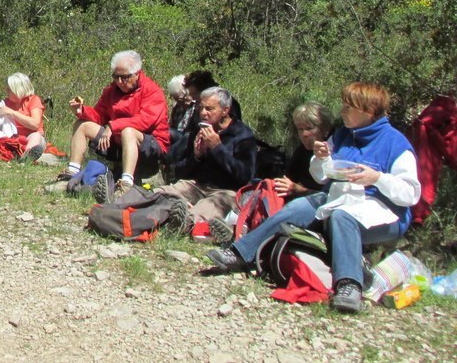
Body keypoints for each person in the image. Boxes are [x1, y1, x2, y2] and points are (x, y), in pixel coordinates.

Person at [206, 82, 420, 314]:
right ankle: (240, 253)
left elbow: (410, 193)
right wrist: (321, 159)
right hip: (341, 198)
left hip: (383, 214)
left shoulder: (396, 144)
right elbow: (321, 177)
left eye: (349, 107)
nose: (343, 111)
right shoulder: (343, 135)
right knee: (299, 207)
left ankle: (349, 285)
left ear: (367, 111)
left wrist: (377, 178)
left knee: (341, 216)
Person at [205, 101, 333, 244]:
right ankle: (236, 226)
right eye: (300, 129)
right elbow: (289, 180)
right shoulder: (301, 151)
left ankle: (241, 232)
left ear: (325, 130)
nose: (304, 134)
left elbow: (329, 196)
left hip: (313, 209)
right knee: (259, 188)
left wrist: (298, 190)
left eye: (309, 128)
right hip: (293, 198)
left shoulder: (333, 154)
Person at [50, 50, 169, 200]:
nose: (119, 82)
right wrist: (82, 111)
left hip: (149, 143)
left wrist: (113, 126)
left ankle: (126, 184)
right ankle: (71, 174)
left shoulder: (152, 91)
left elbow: (146, 121)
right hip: (117, 139)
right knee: (82, 125)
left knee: (128, 131)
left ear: (137, 73)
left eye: (124, 77)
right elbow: (100, 115)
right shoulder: (111, 90)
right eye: (116, 76)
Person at [152, 86, 257, 233]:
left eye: (209, 109)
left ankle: (181, 223)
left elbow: (244, 177)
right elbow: (180, 172)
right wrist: (196, 156)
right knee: (157, 193)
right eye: (200, 108)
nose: (203, 113)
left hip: (225, 192)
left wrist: (218, 147)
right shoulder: (198, 130)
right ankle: (140, 209)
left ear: (225, 111)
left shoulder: (242, 136)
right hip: (196, 185)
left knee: (205, 209)